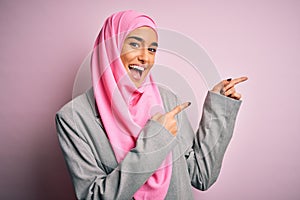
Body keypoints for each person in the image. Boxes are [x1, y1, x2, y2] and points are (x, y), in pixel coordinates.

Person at [55, 10, 248, 200]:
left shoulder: (168, 100)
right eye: (134, 44)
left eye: (152, 49)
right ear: (111, 47)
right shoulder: (73, 118)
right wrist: (156, 139)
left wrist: (219, 108)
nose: (145, 58)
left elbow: (201, 176)